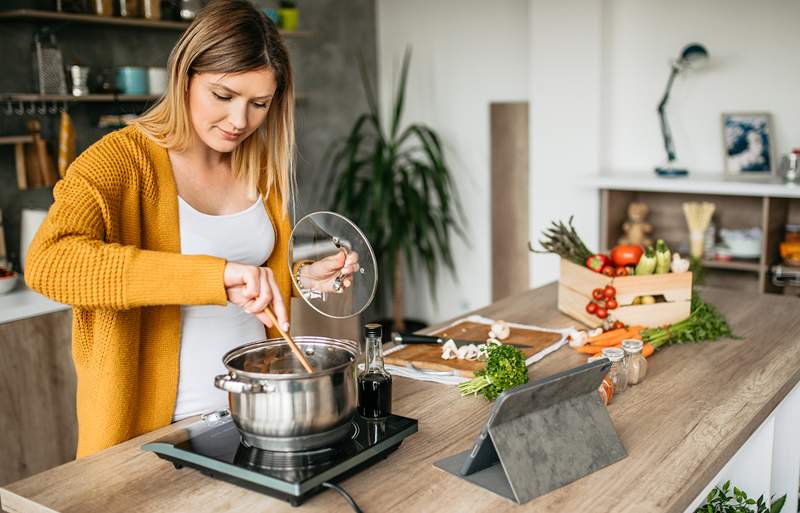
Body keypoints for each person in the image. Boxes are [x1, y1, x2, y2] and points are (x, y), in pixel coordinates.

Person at [24, 0, 356, 458]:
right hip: (159, 435)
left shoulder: (258, 164)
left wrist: (300, 280)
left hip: (256, 415)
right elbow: (48, 263)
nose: (240, 121)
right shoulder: (120, 160)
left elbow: (248, 280)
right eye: (223, 96)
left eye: (259, 103)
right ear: (184, 75)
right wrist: (213, 277)